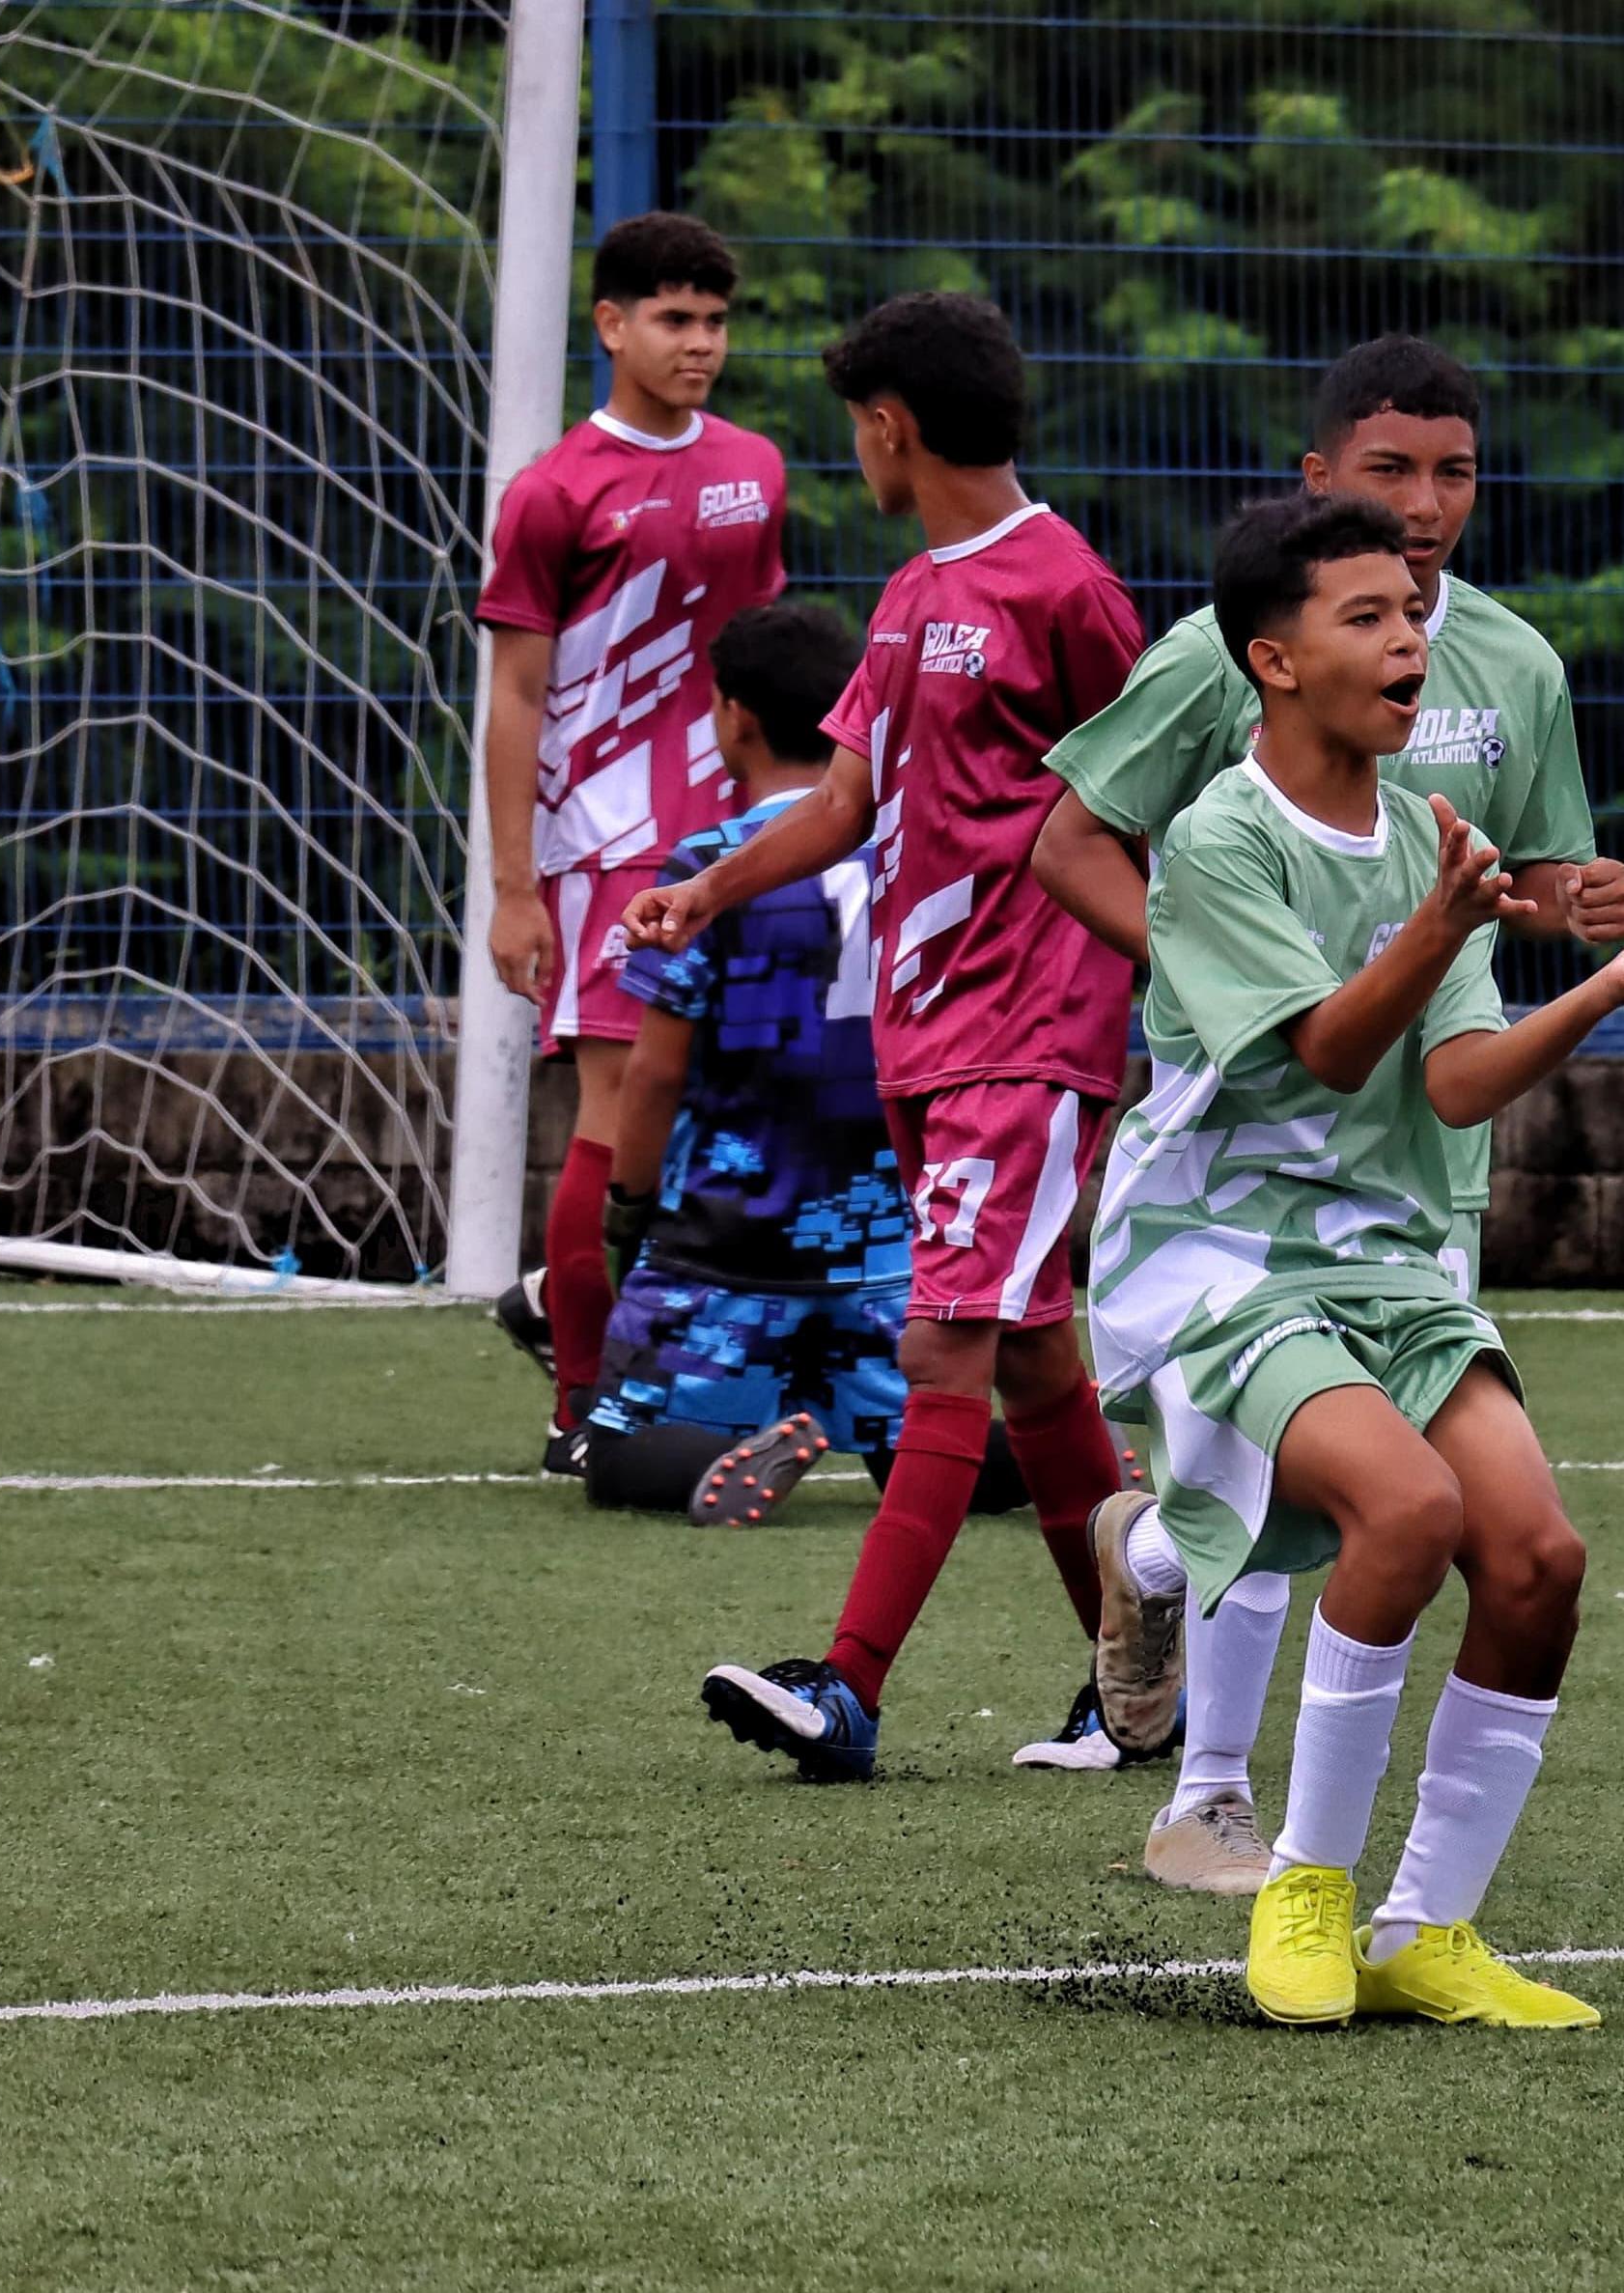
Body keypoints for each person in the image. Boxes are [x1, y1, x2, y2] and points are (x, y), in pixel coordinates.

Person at [1083, 490, 1624, 2027]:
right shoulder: (1217, 838)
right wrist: (1442, 918)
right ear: (1270, 658)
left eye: (1413, 615)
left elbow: (1454, 1078)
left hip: (1384, 1255)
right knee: (1402, 1508)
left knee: (1536, 1558)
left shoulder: (1428, 835)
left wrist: (1601, 983)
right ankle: (1305, 1889)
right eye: (1367, 618)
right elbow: (1333, 1055)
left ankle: (1429, 1928)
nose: (1411, 638)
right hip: (1226, 1253)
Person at [1030, 337, 1624, 1891]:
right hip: (1231, 1215)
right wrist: (1230, 962)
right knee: (1380, 1488)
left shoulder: (1509, 683)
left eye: (1453, 475)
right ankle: (1226, 1808)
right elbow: (1085, 849)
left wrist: (1595, 950)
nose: (1425, 516)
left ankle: (1413, 1909)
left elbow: (1487, 949)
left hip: (1405, 1187)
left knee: (1484, 1530)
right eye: (1389, 477)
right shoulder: (1230, 693)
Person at [624, 292, 1146, 1780]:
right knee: (1037, 1360)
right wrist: (705, 887)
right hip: (931, 1039)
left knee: (945, 1343)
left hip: (1030, 1034)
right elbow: (848, 802)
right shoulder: (915, 595)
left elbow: (1149, 799)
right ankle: (1135, 1690)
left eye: (854, 426)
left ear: (889, 427)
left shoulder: (1068, 591)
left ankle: (845, 1687)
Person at [473, 211, 788, 1472]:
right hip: (604, 843)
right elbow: (515, 694)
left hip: (739, 834)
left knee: (733, 1101)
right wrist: (512, 887)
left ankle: (636, 1338)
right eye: (672, 319)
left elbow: (769, 663)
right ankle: (580, 1407)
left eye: (714, 320)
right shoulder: (552, 492)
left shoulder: (756, 466)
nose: (699, 343)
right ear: (610, 326)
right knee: (617, 1107)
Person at [579, 601, 913, 1524]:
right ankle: (1021, 1455)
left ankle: (715, 1458)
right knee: (925, 1451)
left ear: (735, 716)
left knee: (611, 1449)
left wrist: (630, 1208)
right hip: (884, 1258)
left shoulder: (708, 862)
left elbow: (650, 1075)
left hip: (729, 1248)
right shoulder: (904, 853)